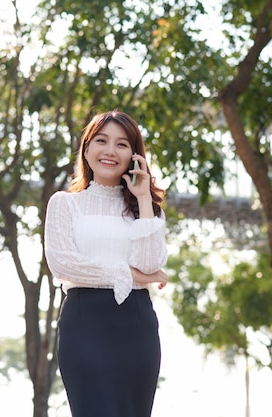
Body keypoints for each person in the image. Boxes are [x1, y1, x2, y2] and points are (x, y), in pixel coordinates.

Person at [44, 110, 168, 417]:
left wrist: (142, 198)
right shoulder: (65, 203)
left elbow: (152, 262)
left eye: (122, 144)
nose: (110, 150)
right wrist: (134, 275)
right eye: (101, 141)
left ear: (134, 155)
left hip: (136, 325)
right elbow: (63, 265)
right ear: (87, 149)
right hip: (85, 324)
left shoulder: (148, 210)